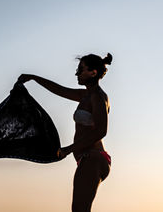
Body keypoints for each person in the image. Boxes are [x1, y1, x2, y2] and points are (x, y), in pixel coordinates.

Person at [18, 53, 112, 212]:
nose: (77, 73)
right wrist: (34, 78)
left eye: (81, 69)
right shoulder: (85, 96)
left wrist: (68, 149)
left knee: (79, 210)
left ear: (93, 73)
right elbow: (58, 90)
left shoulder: (97, 97)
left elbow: (101, 131)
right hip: (86, 158)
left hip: (93, 157)